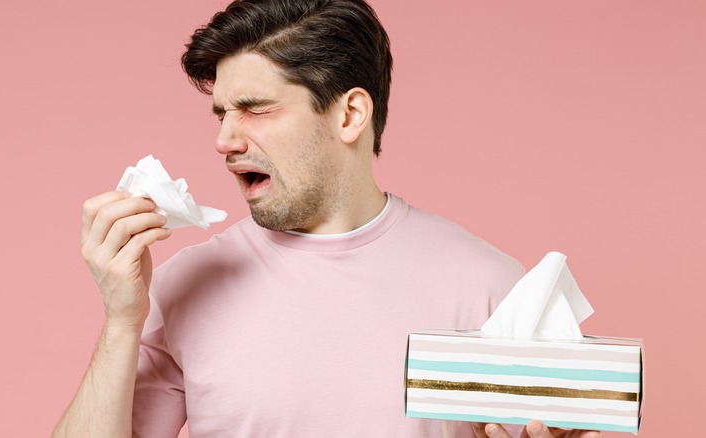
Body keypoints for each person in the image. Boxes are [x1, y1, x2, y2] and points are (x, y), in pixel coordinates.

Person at [53, 1, 602, 437]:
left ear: (349, 114)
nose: (223, 140)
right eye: (221, 113)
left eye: (256, 108)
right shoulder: (184, 286)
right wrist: (121, 321)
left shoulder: (492, 288)